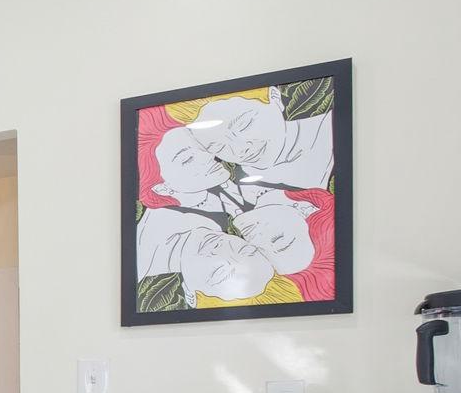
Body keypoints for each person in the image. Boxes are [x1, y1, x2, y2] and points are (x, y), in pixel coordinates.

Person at [187, 89, 334, 188]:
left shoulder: (333, 130)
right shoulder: (243, 188)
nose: (240, 149)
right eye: (218, 147)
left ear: (274, 97)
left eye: (244, 125)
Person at [136, 207, 279, 306]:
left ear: (189, 292)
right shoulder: (216, 205)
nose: (221, 250)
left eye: (219, 272)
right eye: (244, 249)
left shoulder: (137, 265)